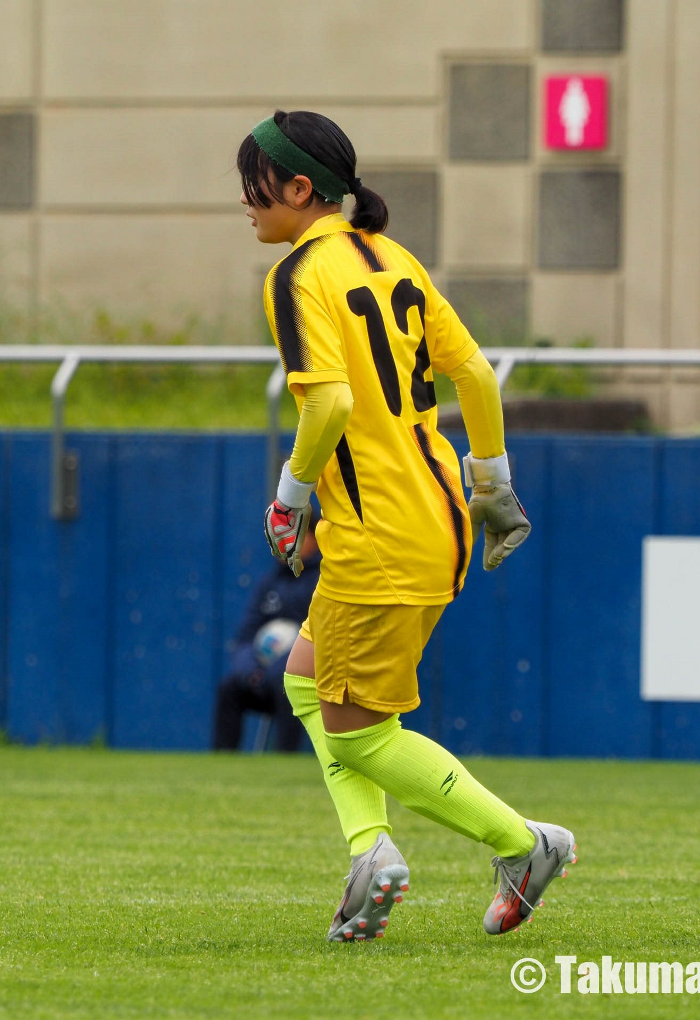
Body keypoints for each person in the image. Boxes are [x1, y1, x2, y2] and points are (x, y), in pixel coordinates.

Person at [238, 110, 576, 943]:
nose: (245, 203)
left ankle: (524, 844)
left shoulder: (296, 276)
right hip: (438, 515)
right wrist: (491, 484)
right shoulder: (395, 259)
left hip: (378, 535)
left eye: (253, 185)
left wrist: (289, 497)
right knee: (308, 682)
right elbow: (476, 377)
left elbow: (332, 401)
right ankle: (370, 856)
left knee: (359, 738)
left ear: (299, 189)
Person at [212, 518, 320, 753]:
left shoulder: (325, 581)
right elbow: (246, 636)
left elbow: (323, 638)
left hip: (305, 677)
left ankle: (284, 760)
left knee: (288, 687)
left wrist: (280, 670)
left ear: (314, 538)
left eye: (292, 537)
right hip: (263, 675)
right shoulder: (269, 583)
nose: (284, 545)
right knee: (230, 687)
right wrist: (252, 670)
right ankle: (221, 759)